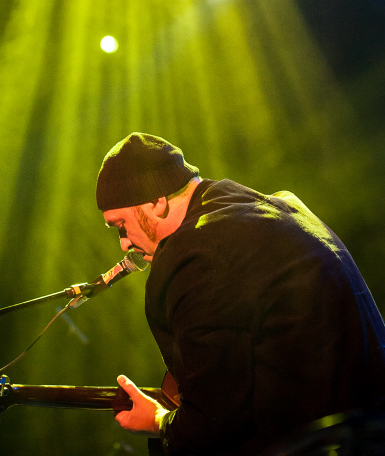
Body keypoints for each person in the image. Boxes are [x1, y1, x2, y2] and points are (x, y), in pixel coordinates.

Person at [96, 132, 385, 456]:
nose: (123, 243)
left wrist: (160, 422)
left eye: (121, 224)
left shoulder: (193, 254)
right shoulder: (281, 208)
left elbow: (213, 425)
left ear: (156, 202)